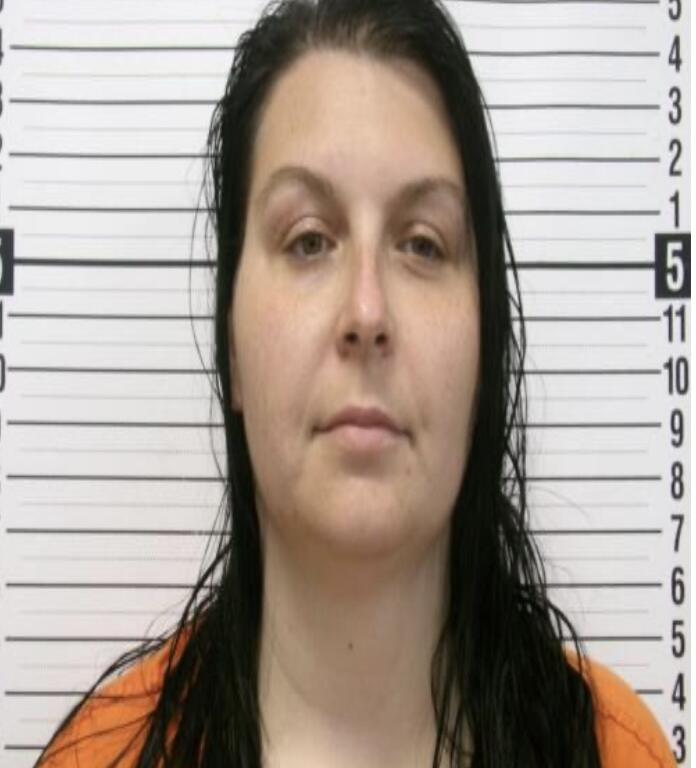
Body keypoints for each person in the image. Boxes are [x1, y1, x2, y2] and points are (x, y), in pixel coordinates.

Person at [36, 1, 676, 766]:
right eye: (308, 240)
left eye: (422, 245)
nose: (367, 312)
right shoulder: (100, 757)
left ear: (484, 348)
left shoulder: (613, 751)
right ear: (232, 346)